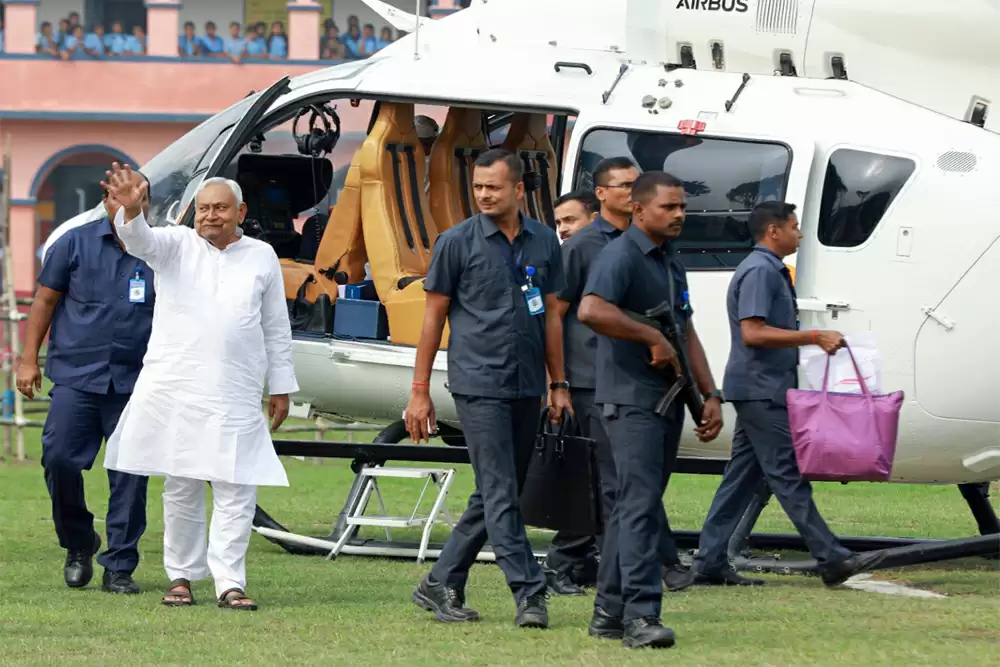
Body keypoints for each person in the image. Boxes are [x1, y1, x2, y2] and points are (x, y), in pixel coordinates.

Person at [100, 165, 298, 611]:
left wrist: (281, 386)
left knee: (236, 485)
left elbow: (275, 326)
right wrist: (132, 209)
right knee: (182, 484)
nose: (210, 216)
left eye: (220, 208)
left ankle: (230, 582)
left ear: (240, 211)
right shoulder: (175, 244)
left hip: (236, 388)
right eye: (204, 208)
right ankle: (182, 577)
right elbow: (138, 240)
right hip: (177, 386)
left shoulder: (262, 255)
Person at [405, 149, 572, 629]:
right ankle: (529, 592)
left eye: (493, 187)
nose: (483, 194)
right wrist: (419, 390)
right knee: (500, 491)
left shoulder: (544, 241)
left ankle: (439, 582)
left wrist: (557, 383)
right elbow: (432, 318)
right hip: (478, 383)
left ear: (519, 190)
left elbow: (553, 318)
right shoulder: (455, 242)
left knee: (500, 492)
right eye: (478, 186)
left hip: (526, 385)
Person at [691, 201, 886, 587]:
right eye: (795, 227)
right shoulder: (761, 271)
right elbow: (753, 332)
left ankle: (710, 561)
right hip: (760, 389)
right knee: (787, 473)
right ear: (773, 231)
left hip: (760, 387)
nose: (799, 233)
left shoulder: (769, 269)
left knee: (742, 479)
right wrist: (815, 336)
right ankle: (831, 557)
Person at [578, 171, 724, 649]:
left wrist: (711, 395)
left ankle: (608, 611)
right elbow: (591, 310)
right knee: (638, 507)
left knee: (630, 509)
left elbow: (687, 332)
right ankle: (642, 616)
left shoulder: (669, 260)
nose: (680, 214)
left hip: (668, 398)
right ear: (639, 209)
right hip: (631, 401)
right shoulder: (620, 254)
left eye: (683, 206)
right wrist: (650, 336)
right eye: (669, 207)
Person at [16, 172, 155, 595]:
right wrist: (27, 361)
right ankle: (79, 542)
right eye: (122, 196)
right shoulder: (73, 243)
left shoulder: (161, 251)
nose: (131, 203)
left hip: (137, 382)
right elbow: (45, 301)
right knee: (58, 458)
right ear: (107, 198)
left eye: (141, 197)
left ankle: (119, 566)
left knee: (130, 473)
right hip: (77, 377)